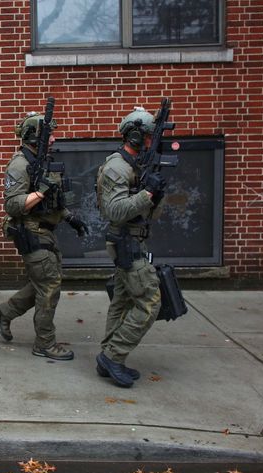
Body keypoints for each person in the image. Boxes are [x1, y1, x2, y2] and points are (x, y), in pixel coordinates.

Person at [0, 111, 89, 361]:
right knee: (49, 287)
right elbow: (12, 205)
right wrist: (41, 192)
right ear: (33, 137)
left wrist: (70, 217)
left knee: (42, 284)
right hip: (31, 233)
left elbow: (54, 199)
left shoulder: (44, 161)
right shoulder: (20, 164)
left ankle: (4, 312)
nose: (54, 139)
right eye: (49, 134)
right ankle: (44, 343)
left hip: (48, 232)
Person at [94, 107, 166, 388]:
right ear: (135, 137)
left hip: (134, 239)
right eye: (149, 137)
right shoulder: (118, 167)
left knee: (122, 302)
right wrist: (147, 193)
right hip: (124, 241)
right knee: (150, 302)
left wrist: (156, 194)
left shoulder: (137, 166)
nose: (151, 143)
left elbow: (151, 213)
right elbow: (114, 211)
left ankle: (109, 358)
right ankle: (113, 356)